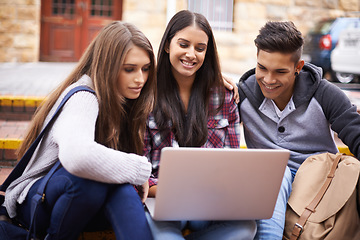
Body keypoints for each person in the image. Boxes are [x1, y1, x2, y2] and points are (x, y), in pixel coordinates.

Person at [1, 21, 156, 240]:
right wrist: (139, 170)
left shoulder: (127, 100)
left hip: (83, 199)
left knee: (120, 187)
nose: (140, 78)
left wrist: (214, 78)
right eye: (129, 69)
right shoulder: (83, 96)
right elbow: (79, 157)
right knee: (92, 180)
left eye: (146, 68)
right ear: (107, 65)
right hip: (38, 201)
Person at [225, 21, 360, 239]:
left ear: (298, 67)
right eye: (262, 68)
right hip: (265, 186)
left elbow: (357, 136)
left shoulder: (325, 94)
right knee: (278, 172)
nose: (268, 80)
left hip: (319, 189)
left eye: (280, 72)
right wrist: (213, 83)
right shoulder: (242, 96)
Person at [144, 10, 257, 240]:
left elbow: (231, 162)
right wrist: (178, 191)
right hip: (162, 199)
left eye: (200, 48)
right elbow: (139, 170)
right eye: (183, 44)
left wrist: (211, 190)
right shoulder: (146, 95)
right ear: (167, 45)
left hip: (208, 203)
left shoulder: (224, 96)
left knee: (247, 229)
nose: (191, 54)